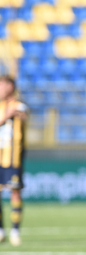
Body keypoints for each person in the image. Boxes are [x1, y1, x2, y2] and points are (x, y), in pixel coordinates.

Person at [0, 75, 28, 246]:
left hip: (13, 158)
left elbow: (23, 114)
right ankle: (1, 230)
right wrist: (6, 116)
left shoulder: (19, 104)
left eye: (3, 85)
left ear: (11, 87)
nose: (1, 89)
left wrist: (15, 112)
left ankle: (15, 231)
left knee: (15, 191)